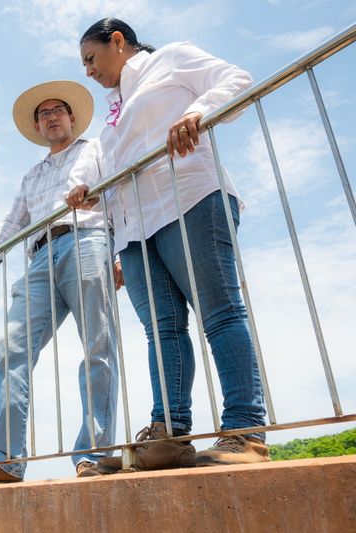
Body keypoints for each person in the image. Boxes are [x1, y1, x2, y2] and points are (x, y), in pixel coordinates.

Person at [74, 18, 268, 471]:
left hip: (191, 197)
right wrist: (94, 196)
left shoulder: (172, 59)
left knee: (220, 314)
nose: (88, 71)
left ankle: (245, 431)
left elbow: (236, 79)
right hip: (135, 230)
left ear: (117, 42)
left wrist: (197, 112)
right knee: (161, 334)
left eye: (90, 58)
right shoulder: (114, 114)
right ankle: (168, 434)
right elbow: (114, 173)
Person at [0, 80, 122, 486]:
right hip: (40, 255)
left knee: (98, 344)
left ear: (72, 117)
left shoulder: (98, 149)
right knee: (11, 348)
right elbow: (11, 225)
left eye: (57, 111)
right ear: (38, 127)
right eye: (43, 114)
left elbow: (120, 192)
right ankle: (7, 460)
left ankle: (94, 454)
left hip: (87, 239)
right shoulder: (31, 176)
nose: (50, 118)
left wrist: (121, 252)